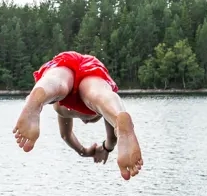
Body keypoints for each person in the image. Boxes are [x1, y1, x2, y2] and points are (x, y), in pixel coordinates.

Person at [12, 51, 144, 180]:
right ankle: (118, 113)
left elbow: (66, 135)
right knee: (98, 94)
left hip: (66, 62)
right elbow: (113, 138)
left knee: (58, 81)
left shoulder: (65, 112)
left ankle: (38, 98)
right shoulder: (101, 111)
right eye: (88, 122)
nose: (85, 122)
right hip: (92, 67)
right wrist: (106, 148)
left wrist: (84, 151)